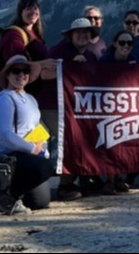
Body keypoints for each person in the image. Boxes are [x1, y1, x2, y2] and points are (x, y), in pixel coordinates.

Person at [0, 55, 54, 215]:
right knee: (45, 167)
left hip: (24, 156)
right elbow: (3, 134)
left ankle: (15, 195)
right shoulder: (4, 99)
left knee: (40, 202)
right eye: (16, 71)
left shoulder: (31, 99)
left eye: (25, 71)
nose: (21, 75)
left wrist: (43, 150)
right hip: (6, 157)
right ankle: (4, 196)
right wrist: (31, 149)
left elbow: (37, 129)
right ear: (7, 75)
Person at [39, 18, 98, 201]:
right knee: (69, 140)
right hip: (52, 107)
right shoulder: (58, 51)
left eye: (86, 33)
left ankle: (86, 179)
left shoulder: (90, 56)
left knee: (87, 138)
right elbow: (44, 74)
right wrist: (68, 66)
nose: (82, 36)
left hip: (76, 109)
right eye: (78, 32)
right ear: (71, 36)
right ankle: (65, 185)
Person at [99, 30, 136, 193]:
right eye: (122, 42)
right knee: (109, 141)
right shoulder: (105, 60)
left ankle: (119, 178)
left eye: (129, 43)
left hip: (124, 106)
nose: (125, 46)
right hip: (106, 106)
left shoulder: (132, 61)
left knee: (122, 142)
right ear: (115, 44)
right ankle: (109, 180)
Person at [0, 0, 57, 95]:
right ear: (20, 12)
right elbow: (15, 64)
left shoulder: (35, 34)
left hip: (32, 92)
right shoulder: (13, 34)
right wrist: (43, 64)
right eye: (28, 8)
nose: (33, 12)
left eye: (35, 8)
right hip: (17, 93)